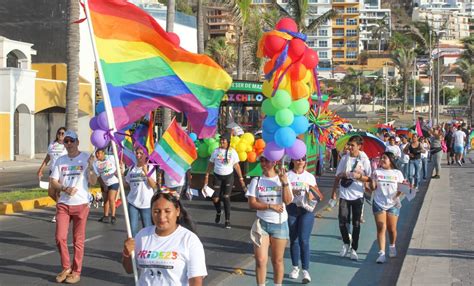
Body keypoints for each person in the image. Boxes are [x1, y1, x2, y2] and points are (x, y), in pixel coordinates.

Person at [122, 191, 207, 286]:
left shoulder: (190, 240)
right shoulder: (142, 235)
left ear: (177, 211)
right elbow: (129, 269)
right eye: (156, 211)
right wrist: (127, 253)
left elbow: (196, 280)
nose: (161, 217)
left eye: (167, 211)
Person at [50, 130, 97, 284]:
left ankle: (76, 271)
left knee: (78, 240)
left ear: (77, 142)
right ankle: (66, 267)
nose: (69, 144)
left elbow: (93, 181)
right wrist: (64, 189)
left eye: (72, 141)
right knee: (60, 237)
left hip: (81, 204)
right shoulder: (60, 160)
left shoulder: (86, 158)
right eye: (66, 141)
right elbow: (54, 182)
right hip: (63, 203)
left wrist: (90, 167)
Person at [246, 156, 293, 286]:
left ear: (275, 161)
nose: (264, 163)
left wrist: (284, 182)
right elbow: (251, 204)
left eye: (267, 160)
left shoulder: (282, 179)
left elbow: (288, 201)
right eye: (261, 160)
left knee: (277, 261)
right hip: (262, 224)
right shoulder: (257, 180)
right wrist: (270, 206)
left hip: (280, 224)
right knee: (260, 260)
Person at [331, 135, 372, 261]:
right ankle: (345, 243)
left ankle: (354, 249)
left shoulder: (364, 159)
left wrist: (358, 176)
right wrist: (334, 192)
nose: (350, 147)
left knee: (356, 223)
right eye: (349, 145)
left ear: (359, 146)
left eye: (352, 145)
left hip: (358, 195)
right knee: (342, 221)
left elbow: (369, 178)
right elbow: (337, 176)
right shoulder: (344, 158)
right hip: (344, 194)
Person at [286, 156, 323, 284]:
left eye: (302, 159)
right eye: (297, 159)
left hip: (306, 210)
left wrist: (309, 192)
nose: (300, 161)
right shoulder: (287, 175)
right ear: (292, 161)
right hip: (291, 209)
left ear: (305, 161)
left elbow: (317, 195)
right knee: (294, 240)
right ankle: (295, 267)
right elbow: (283, 193)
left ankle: (305, 270)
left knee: (304, 240)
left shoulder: (309, 177)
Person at [367, 152, 405, 264]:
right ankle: (381, 253)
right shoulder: (376, 172)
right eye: (381, 158)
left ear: (391, 160)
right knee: (381, 227)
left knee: (391, 229)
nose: (382, 160)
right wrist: (372, 183)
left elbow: (401, 188)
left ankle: (392, 245)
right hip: (379, 203)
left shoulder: (397, 173)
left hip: (393, 204)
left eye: (384, 158)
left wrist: (397, 197)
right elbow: (373, 188)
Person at [203, 133, 246, 229]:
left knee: (226, 197)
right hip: (217, 176)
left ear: (228, 142)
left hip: (228, 177)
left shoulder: (233, 152)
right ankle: (218, 212)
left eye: (223, 140)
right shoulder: (215, 151)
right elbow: (210, 164)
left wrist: (241, 179)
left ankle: (227, 220)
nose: (221, 141)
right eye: (221, 140)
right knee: (215, 199)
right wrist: (206, 176)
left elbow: (236, 166)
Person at [124, 146, 157, 237]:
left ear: (146, 155)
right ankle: (133, 250)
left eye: (141, 153)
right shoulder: (131, 169)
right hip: (133, 202)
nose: (138, 155)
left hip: (146, 204)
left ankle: (147, 249)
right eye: (137, 153)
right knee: (132, 230)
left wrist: (146, 173)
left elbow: (153, 185)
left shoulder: (151, 168)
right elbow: (126, 185)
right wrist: (119, 175)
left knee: (147, 229)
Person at [37, 127, 68, 223]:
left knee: (58, 194)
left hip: (61, 172)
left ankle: (58, 214)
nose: (61, 135)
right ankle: (64, 206)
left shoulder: (67, 145)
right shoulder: (52, 144)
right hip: (52, 172)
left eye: (63, 133)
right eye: (59, 133)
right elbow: (48, 157)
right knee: (50, 193)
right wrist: (41, 169)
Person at [93, 148, 120, 224]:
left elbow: (117, 167)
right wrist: (103, 185)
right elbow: (98, 176)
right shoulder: (95, 163)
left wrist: (119, 170)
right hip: (104, 183)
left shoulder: (111, 158)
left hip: (113, 182)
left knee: (111, 199)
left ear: (103, 153)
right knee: (106, 200)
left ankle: (113, 216)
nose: (97, 155)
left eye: (99, 153)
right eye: (96, 153)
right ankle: (105, 216)